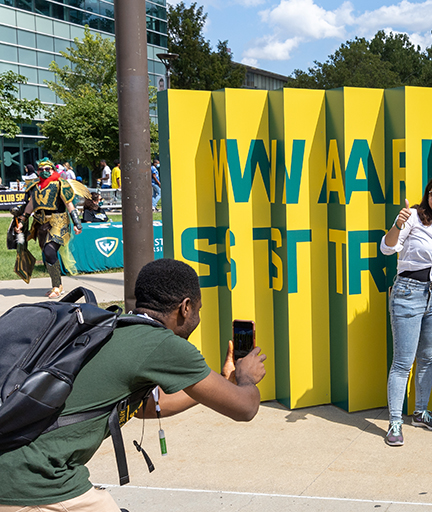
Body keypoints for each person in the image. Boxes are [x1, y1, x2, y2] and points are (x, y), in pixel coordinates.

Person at [0, 258, 268, 512]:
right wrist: (245, 377)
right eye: (198, 310)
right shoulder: (162, 344)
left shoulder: (114, 328)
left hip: (11, 458)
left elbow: (148, 406)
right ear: (185, 307)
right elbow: (244, 408)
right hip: (35, 478)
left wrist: (222, 383)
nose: (197, 317)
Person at [379, 175, 432, 447]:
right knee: (403, 362)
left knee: (427, 358)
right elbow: (387, 248)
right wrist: (397, 224)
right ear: (427, 195)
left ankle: (420, 412)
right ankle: (394, 422)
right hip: (407, 293)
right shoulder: (413, 217)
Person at [15, 158, 82, 299]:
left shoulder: (60, 184)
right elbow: (31, 205)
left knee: (50, 251)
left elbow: (69, 204)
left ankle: (57, 286)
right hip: (40, 223)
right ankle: (58, 285)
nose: (44, 172)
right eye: (41, 169)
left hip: (58, 222)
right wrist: (22, 220)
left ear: (53, 170)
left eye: (47, 169)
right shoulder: (35, 186)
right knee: (47, 255)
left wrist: (77, 222)